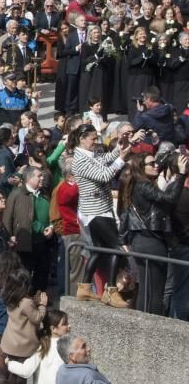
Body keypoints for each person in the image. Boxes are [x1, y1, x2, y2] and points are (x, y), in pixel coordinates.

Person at [69, 123, 135, 301]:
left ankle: (84, 287)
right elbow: (104, 175)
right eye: (92, 139)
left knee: (98, 250)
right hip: (96, 211)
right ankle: (111, 290)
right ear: (82, 139)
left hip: (98, 209)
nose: (95, 141)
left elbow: (104, 159)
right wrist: (121, 159)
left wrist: (120, 148)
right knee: (117, 249)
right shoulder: (80, 160)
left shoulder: (88, 155)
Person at [118, 152, 187, 314]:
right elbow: (169, 198)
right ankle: (152, 329)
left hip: (142, 240)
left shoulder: (138, 183)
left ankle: (145, 325)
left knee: (147, 289)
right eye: (152, 163)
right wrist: (181, 174)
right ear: (141, 168)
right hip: (151, 241)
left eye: (157, 162)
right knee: (155, 291)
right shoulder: (143, 185)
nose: (156, 165)